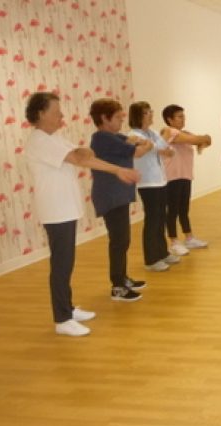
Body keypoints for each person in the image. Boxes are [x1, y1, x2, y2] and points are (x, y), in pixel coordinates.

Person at [24, 92, 140, 336]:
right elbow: (81, 158)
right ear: (41, 114)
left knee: (66, 262)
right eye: (56, 112)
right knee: (61, 264)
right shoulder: (39, 140)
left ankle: (67, 308)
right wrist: (117, 170)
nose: (61, 116)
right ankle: (62, 319)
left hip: (65, 208)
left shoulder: (54, 137)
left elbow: (86, 154)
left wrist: (83, 155)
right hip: (55, 209)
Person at [89, 98, 152, 303]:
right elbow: (139, 149)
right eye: (117, 117)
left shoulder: (114, 137)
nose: (121, 120)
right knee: (119, 241)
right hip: (111, 196)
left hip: (118, 195)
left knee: (123, 240)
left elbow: (138, 141)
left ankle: (122, 278)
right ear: (104, 118)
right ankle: (117, 286)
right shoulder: (102, 138)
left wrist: (140, 142)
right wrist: (142, 144)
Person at [128, 101, 179, 272]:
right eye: (147, 112)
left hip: (160, 180)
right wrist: (163, 141)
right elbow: (156, 147)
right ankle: (151, 259)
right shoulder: (133, 135)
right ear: (138, 116)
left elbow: (163, 148)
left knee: (161, 218)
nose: (151, 114)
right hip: (148, 183)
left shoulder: (152, 132)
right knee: (152, 220)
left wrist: (162, 146)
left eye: (150, 111)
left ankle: (162, 253)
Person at [161, 104, 211, 252]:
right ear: (170, 119)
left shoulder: (185, 133)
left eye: (183, 116)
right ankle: (174, 241)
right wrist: (201, 138)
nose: (183, 119)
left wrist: (202, 140)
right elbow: (199, 139)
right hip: (172, 177)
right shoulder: (169, 131)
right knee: (173, 210)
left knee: (184, 209)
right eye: (179, 116)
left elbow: (207, 141)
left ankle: (189, 238)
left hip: (185, 176)